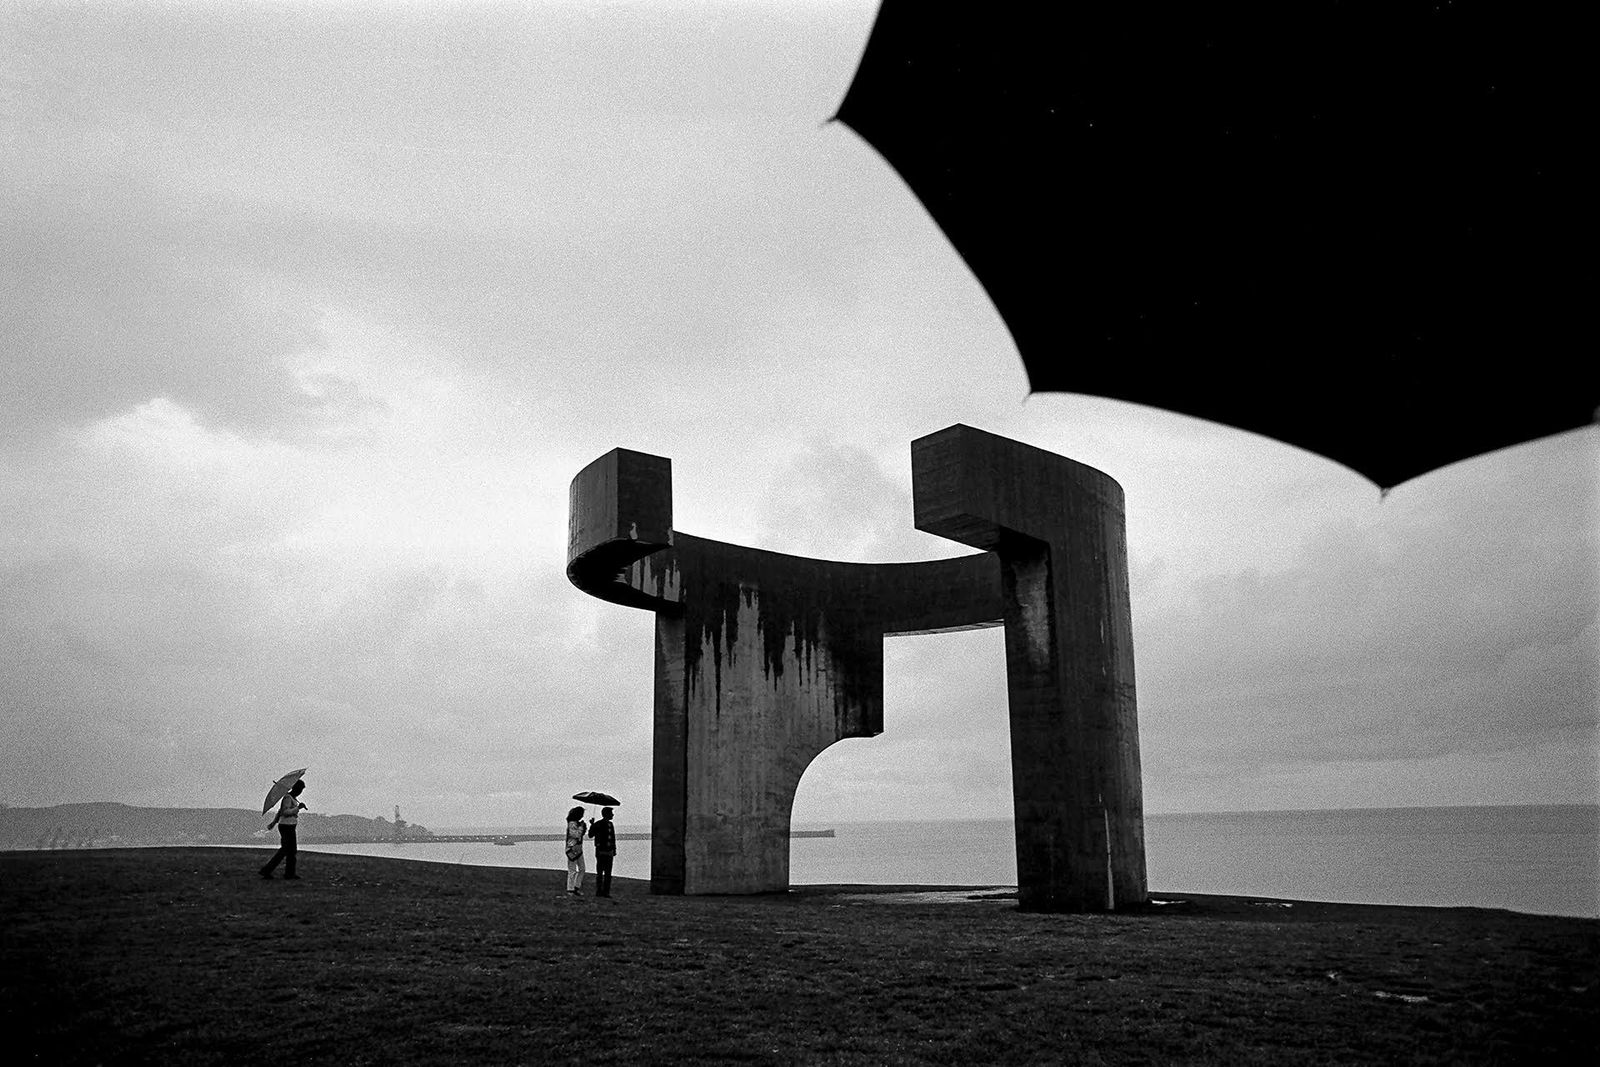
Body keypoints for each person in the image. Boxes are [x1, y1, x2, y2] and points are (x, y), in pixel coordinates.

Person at [260, 779, 307, 880]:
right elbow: (285, 812)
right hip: (286, 826)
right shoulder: (287, 798)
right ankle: (269, 871)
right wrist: (298, 808)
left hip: (289, 826)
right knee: (287, 850)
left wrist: (273, 823)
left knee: (290, 851)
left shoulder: (291, 798)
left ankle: (288, 873)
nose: (300, 792)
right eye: (300, 789)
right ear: (296, 788)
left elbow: (280, 812)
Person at [588, 806, 617, 898]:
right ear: (607, 814)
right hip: (602, 852)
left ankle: (604, 891)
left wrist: (614, 849)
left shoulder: (609, 824)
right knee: (602, 873)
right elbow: (590, 835)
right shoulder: (599, 824)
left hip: (607, 851)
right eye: (611, 813)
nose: (613, 815)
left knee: (606, 873)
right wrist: (592, 825)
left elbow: (613, 838)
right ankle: (601, 891)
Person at [564, 805, 587, 895]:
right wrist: (581, 827)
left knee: (582, 868)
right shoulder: (572, 824)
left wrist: (583, 827)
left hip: (578, 849)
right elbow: (575, 835)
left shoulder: (576, 823)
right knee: (572, 870)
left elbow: (580, 834)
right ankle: (570, 889)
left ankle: (576, 887)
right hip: (571, 849)